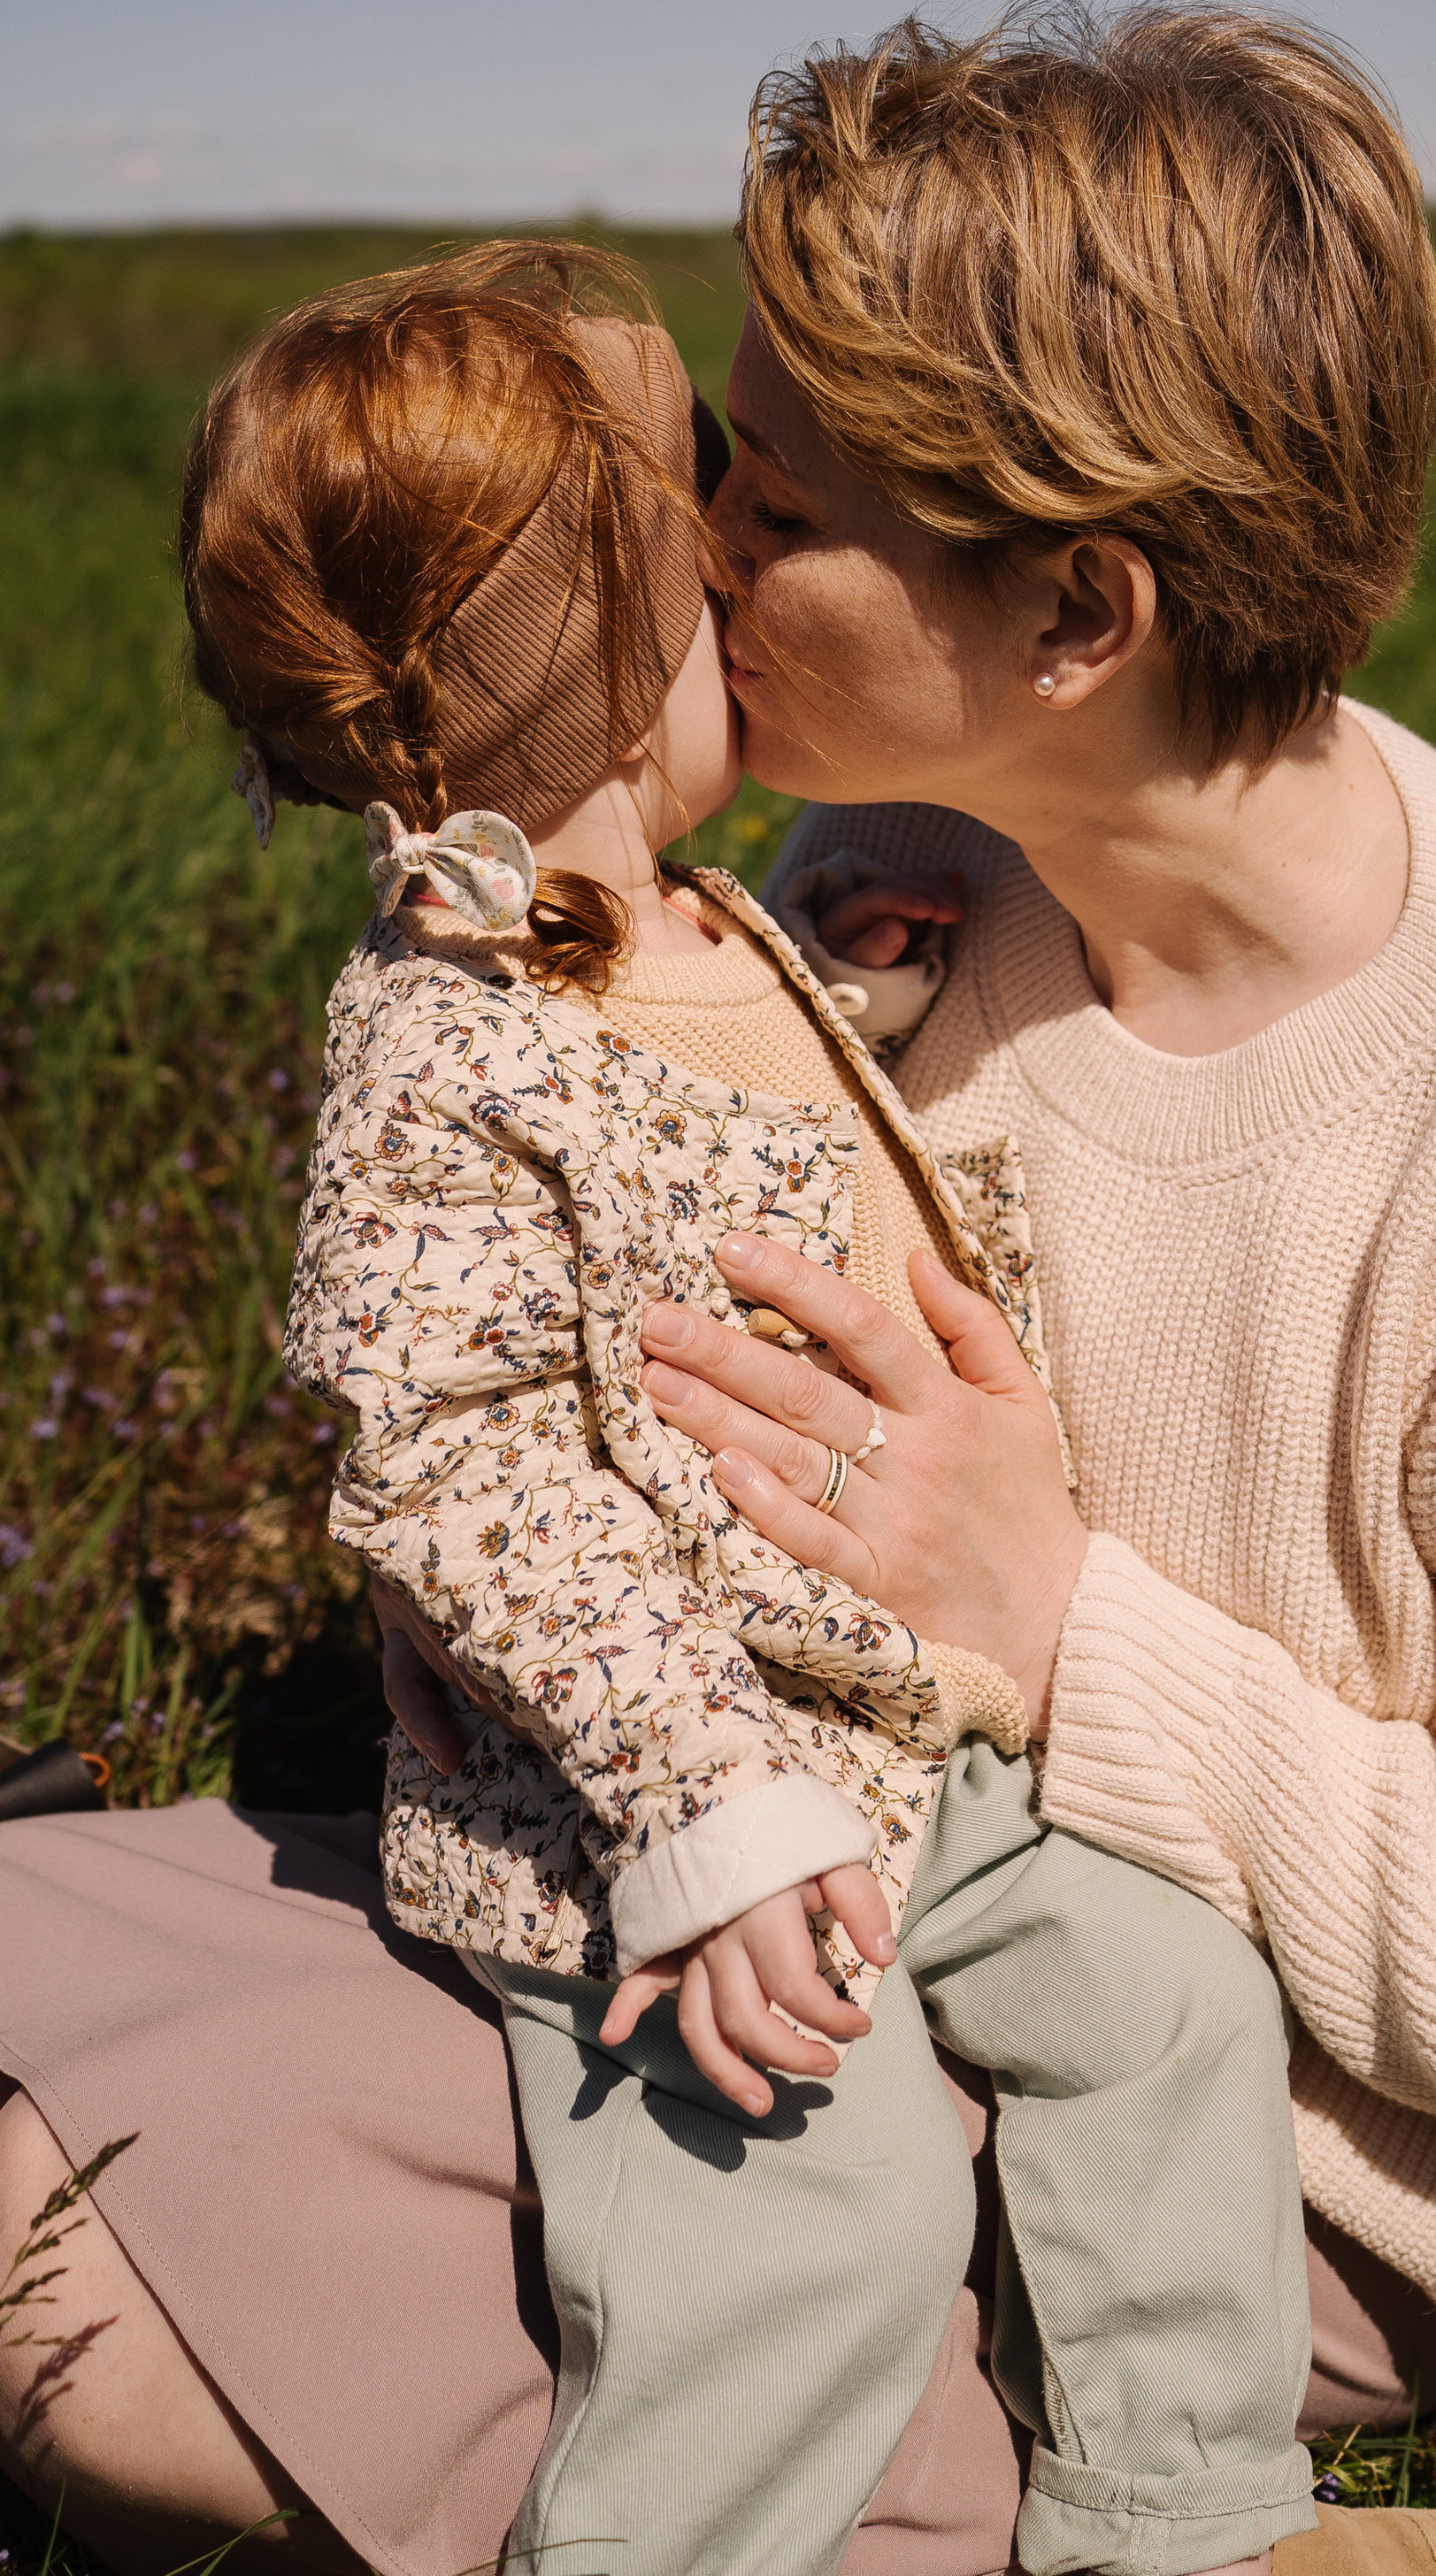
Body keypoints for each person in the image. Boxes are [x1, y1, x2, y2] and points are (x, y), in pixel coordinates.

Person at [0, 0, 1436, 2576]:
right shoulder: (910, 858)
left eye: (756, 501)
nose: (677, 552)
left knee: (87, 2306)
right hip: (808, 1846)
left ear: (1085, 613)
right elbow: (587, 1249)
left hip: (1263, 2152)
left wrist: (1070, 1625)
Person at [0, 240, 1318, 2576]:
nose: (752, 599)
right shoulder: (442, 1040)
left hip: (894, 1725)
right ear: (610, 684)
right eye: (709, 589)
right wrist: (697, 1816)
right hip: (646, 1795)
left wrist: (860, 1006)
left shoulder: (695, 923)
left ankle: (1181, 2526)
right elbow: (455, 1460)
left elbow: (711, 1152)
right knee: (823, 2220)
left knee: (1174, 2005)